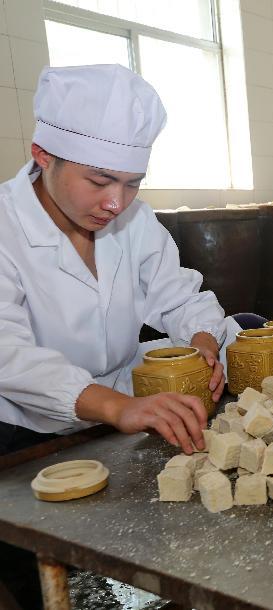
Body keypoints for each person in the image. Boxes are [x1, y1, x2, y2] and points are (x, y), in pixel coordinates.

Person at [0, 64, 241, 458]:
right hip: (26, 427)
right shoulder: (5, 227)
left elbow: (179, 299)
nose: (115, 203)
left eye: (132, 184)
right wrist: (116, 407)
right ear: (43, 156)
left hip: (126, 405)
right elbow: (8, 356)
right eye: (98, 181)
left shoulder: (136, 219)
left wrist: (203, 347)